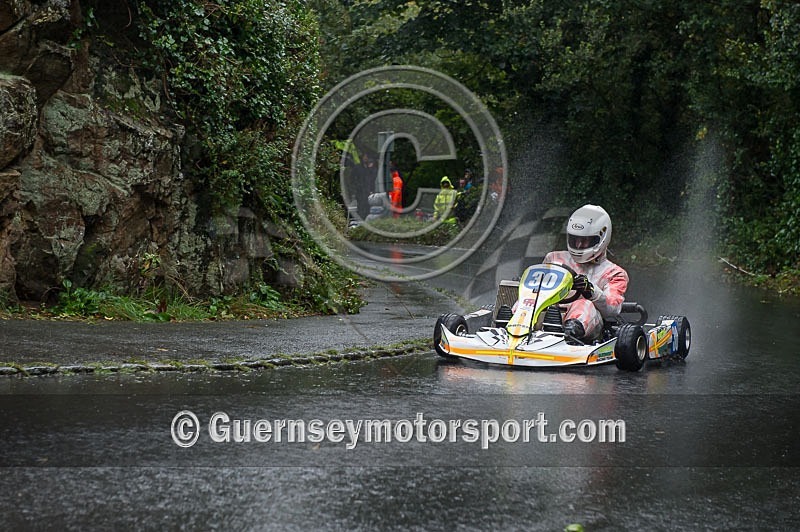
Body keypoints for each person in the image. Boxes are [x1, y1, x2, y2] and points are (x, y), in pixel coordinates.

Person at [543, 204, 628, 343]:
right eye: (575, 239)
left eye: (585, 240)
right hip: (550, 309)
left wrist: (591, 291)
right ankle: (508, 327)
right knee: (530, 301)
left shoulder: (614, 273)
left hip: (589, 324)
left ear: (600, 238)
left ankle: (569, 334)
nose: (578, 245)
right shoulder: (554, 258)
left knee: (583, 304)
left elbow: (612, 310)